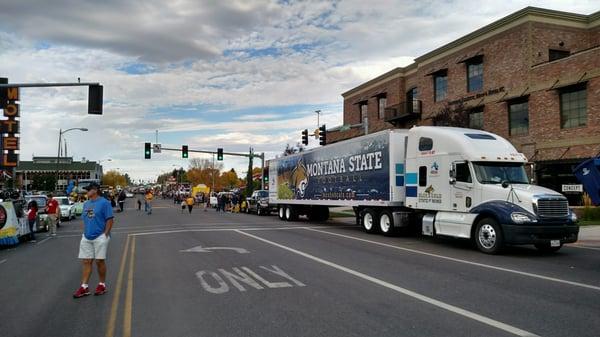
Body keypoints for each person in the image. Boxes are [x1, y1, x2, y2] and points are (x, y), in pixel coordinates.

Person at [73, 182, 114, 298]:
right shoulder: (86, 204)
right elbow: (87, 218)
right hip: (86, 236)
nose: (87, 191)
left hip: (100, 236)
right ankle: (84, 287)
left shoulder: (104, 203)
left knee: (99, 261)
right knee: (86, 261)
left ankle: (102, 284)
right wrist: (86, 232)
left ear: (95, 190)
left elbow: (110, 219)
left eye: (88, 189)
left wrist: (105, 234)